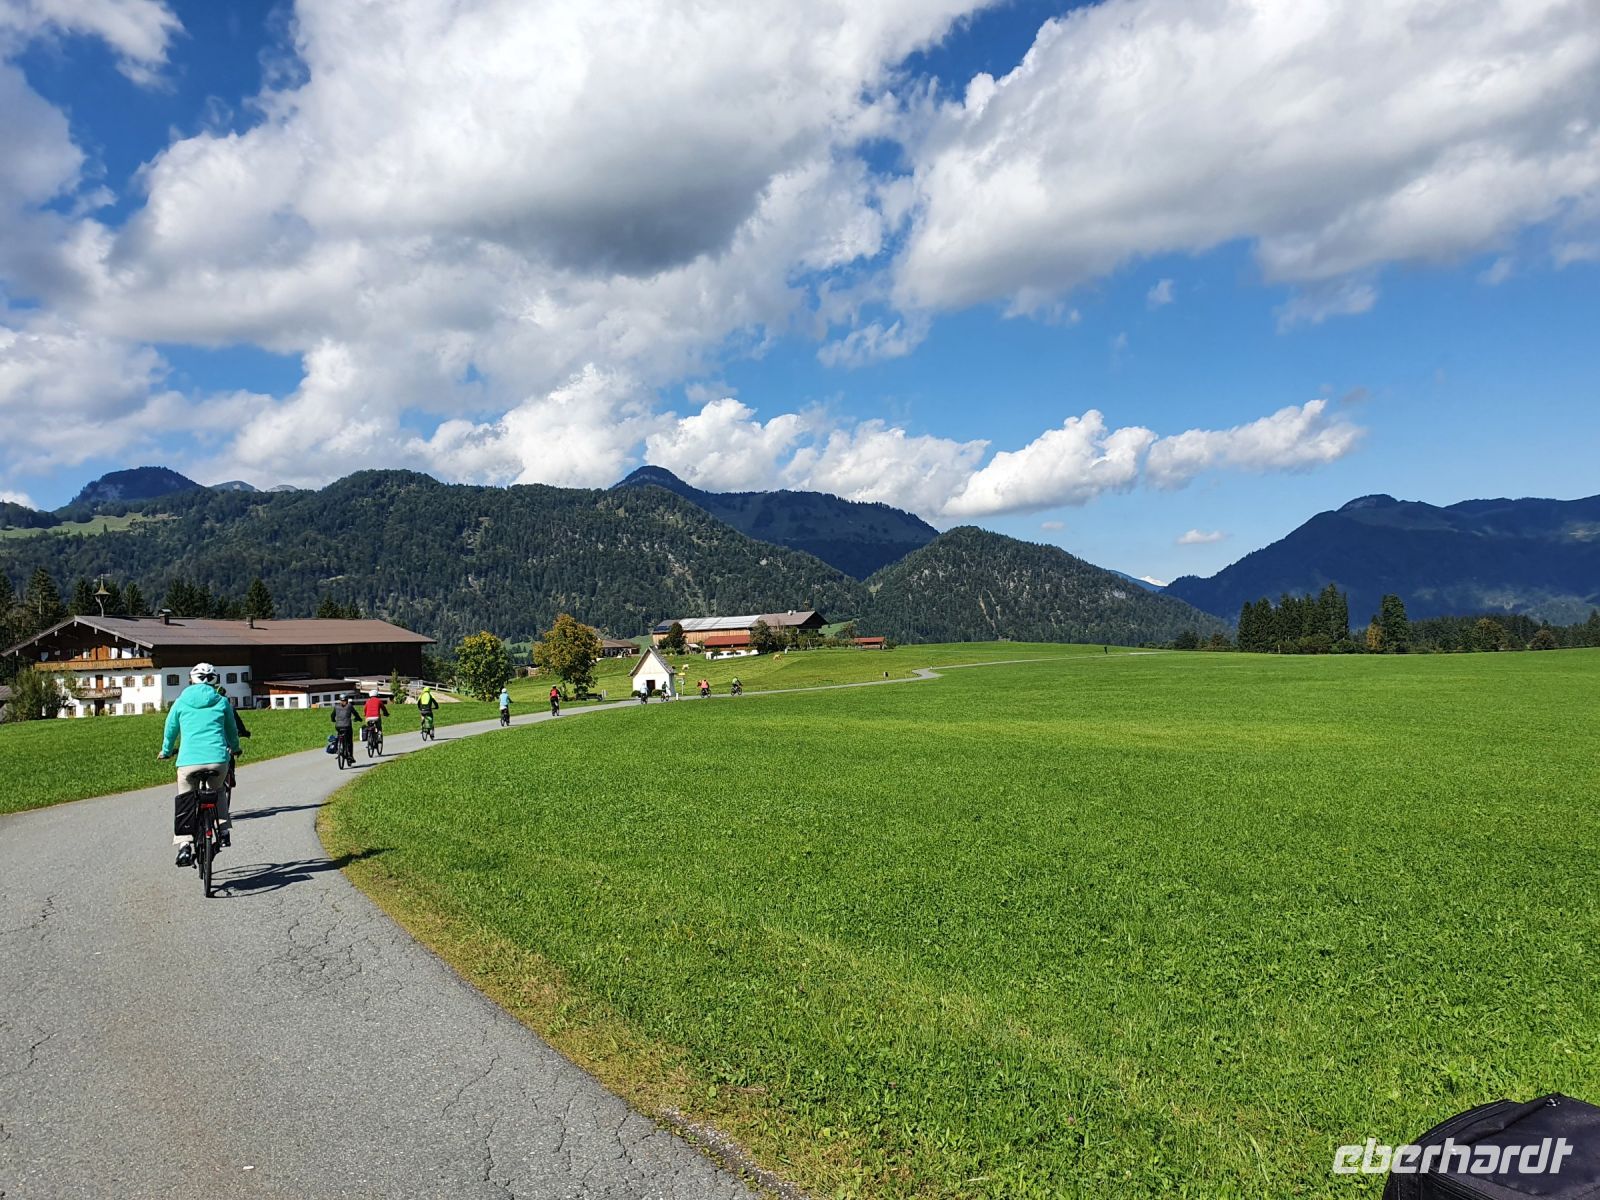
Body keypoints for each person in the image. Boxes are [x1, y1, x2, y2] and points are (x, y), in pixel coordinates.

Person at [159, 662, 241, 866]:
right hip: (218, 760)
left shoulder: (180, 702)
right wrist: (236, 748)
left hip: (188, 761)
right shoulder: (222, 701)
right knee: (219, 791)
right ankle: (222, 831)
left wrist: (166, 751)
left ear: (190, 679)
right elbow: (231, 730)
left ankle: (184, 845)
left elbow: (170, 729)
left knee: (185, 797)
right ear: (214, 681)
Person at [330, 695, 358, 762]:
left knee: (339, 735)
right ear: (347, 700)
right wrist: (358, 718)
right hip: (347, 726)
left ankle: (338, 748)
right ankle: (350, 756)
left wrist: (333, 720)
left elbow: (332, 715)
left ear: (340, 700)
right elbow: (355, 713)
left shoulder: (336, 706)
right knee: (349, 741)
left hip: (338, 726)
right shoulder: (349, 706)